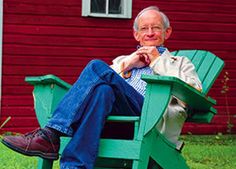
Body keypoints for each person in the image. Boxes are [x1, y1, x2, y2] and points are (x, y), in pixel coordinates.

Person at [1, 6, 202, 169]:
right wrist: (127, 65)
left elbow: (194, 91)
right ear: (136, 34)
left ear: (167, 32)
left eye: (156, 28)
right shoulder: (124, 61)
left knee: (96, 67)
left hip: (149, 121)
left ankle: (51, 134)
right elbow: (94, 86)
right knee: (102, 91)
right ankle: (75, 166)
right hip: (111, 122)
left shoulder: (181, 63)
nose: (150, 33)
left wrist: (158, 62)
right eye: (144, 28)